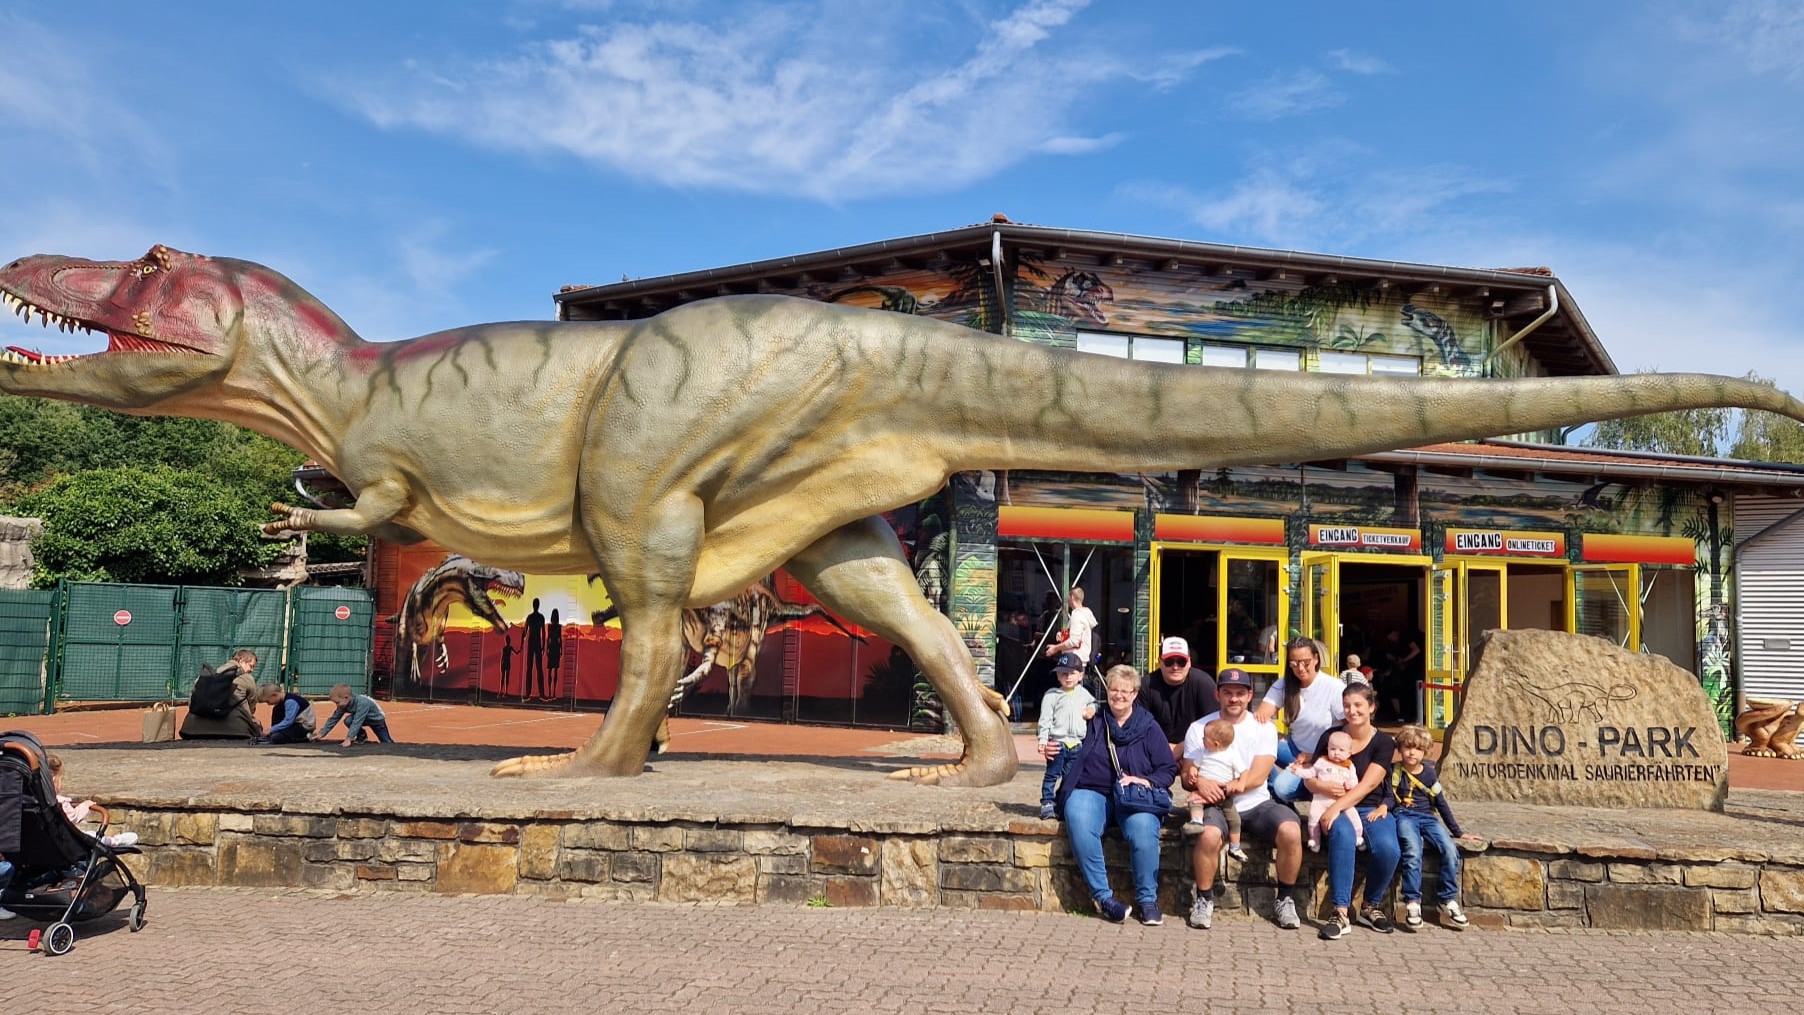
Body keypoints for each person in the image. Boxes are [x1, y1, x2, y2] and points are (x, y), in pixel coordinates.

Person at [1180, 667, 1305, 931]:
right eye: (1228, 693)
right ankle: (1203, 901)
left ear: (1250, 696)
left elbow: (1259, 776)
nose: (1234, 698)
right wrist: (1199, 781)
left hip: (1256, 802)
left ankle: (1285, 899)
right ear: (1218, 695)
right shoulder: (1199, 727)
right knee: (1208, 835)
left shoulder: (1264, 728)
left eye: (1240, 693)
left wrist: (1226, 788)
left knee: (1292, 830)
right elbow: (1187, 772)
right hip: (1212, 803)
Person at [1053, 664, 1177, 927]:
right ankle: (1104, 899)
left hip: (1134, 796)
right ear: (1106, 691)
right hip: (1093, 791)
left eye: (1125, 691)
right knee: (1077, 815)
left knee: (1144, 830)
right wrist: (1053, 748)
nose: (1118, 695)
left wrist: (1145, 780)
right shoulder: (1093, 719)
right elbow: (1066, 738)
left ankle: (1147, 901)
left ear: (1134, 694)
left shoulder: (1148, 727)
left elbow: (1168, 769)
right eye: (1113, 689)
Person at [1308, 682, 1402, 940]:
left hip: (1369, 807)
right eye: (1347, 705)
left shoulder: (1383, 742)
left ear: (1371, 707)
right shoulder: (1331, 736)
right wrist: (1321, 786)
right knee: (1344, 837)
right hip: (1331, 805)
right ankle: (1340, 912)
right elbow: (1310, 776)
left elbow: (1369, 784)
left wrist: (1337, 806)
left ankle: (1370, 906)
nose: (1352, 710)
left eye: (1358, 705)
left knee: (1388, 849)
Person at [1390, 724, 1480, 929]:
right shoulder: (1394, 771)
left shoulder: (1429, 774)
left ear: (1425, 751)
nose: (1412, 752)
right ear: (1400, 748)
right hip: (1404, 816)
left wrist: (1458, 832)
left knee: (1449, 850)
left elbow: (1441, 803)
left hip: (1427, 818)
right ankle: (1412, 901)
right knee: (1412, 852)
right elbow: (1388, 797)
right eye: (1407, 747)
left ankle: (1447, 899)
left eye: (1418, 749)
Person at [1256, 637, 1346, 802]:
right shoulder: (1284, 684)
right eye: (1294, 663)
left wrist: (1314, 756)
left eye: (1306, 662)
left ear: (1316, 659)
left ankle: (1312, 789)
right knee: (1256, 739)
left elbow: (1347, 731)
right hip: (1295, 750)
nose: (1300, 668)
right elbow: (1260, 717)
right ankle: (1274, 789)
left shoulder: (1334, 687)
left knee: (1282, 788)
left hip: (1326, 755)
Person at [1137, 636, 1219, 759]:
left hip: (1197, 748)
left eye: (1181, 662)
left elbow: (1214, 725)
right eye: (1169, 661)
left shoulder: (1203, 683)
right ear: (1160, 662)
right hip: (1154, 748)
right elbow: (1139, 725)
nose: (1175, 667)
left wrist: (1183, 746)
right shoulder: (1146, 684)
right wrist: (1162, 746)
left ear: (1189, 662)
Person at [1037, 652, 1096, 820]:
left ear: (1081, 675)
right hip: (1058, 742)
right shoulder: (1052, 695)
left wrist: (1091, 710)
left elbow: (1094, 704)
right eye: (1063, 673)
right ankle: (1047, 802)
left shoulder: (1084, 694)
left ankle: (1062, 801)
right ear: (1057, 675)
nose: (1068, 677)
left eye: (1072, 673)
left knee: (1071, 776)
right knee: (1052, 774)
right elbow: (1045, 719)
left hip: (1076, 743)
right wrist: (1043, 739)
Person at [1183, 718, 1248, 863]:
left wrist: (1241, 783)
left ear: (1216, 743)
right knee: (1194, 801)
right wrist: (1193, 772)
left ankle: (1235, 846)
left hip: (1224, 794)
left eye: (1205, 738)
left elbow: (1244, 771)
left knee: (1235, 820)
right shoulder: (1204, 753)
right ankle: (1197, 821)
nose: (1202, 740)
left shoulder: (1232, 756)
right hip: (1203, 791)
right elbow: (1195, 766)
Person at [46, 754, 137, 848]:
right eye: (61, 779)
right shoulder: (58, 803)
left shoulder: (33, 802)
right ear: (53, 780)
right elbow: (72, 816)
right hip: (64, 843)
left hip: (44, 845)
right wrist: (85, 806)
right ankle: (114, 841)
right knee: (89, 836)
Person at [179, 649, 263, 740]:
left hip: (191, 730)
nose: (252, 670)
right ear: (242, 661)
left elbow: (192, 700)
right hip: (236, 731)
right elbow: (251, 708)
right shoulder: (247, 678)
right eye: (251, 666)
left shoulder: (208, 675)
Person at [1304, 731, 1361, 852]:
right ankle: (1315, 840)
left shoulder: (1349, 765)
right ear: (1327, 749)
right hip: (1321, 798)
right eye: (1333, 749)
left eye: (1341, 750)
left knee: (1354, 815)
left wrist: (1350, 784)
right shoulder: (1322, 761)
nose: (1336, 753)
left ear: (1349, 753)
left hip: (1341, 800)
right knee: (1314, 815)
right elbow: (1311, 774)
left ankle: (1358, 837)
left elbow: (1354, 780)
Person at [312, 684, 396, 746]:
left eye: (337, 702)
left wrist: (349, 738)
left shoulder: (362, 703)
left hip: (377, 721)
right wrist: (322, 733)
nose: (337, 706)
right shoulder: (344, 704)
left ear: (346, 697)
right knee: (348, 720)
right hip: (364, 718)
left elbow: (357, 721)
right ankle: (362, 737)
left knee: (386, 742)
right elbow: (334, 718)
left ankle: (393, 748)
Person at [1043, 587, 1098, 670]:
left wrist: (1055, 648)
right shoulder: (1084, 614)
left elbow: (1074, 641)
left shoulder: (1077, 615)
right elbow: (1080, 636)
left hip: (1073, 662)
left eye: (1068, 597)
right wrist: (1063, 634)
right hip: (1078, 661)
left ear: (1072, 597)